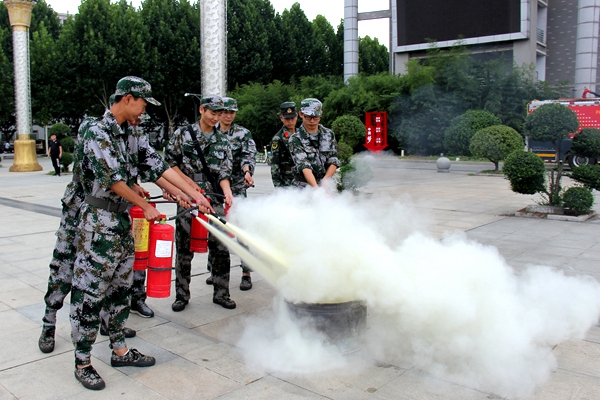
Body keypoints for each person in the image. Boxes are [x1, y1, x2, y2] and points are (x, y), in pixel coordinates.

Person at [69, 76, 212, 391]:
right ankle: (82, 362)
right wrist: (144, 206)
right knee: (90, 294)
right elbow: (113, 179)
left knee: (121, 288)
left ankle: (119, 349)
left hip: (121, 223)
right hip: (97, 222)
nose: (144, 113)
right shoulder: (96, 131)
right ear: (128, 98)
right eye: (143, 105)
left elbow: (160, 167)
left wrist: (194, 193)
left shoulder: (131, 134)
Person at [164, 95, 237, 311]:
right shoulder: (183, 134)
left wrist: (227, 191)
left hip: (213, 198)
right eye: (213, 112)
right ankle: (182, 295)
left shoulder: (222, 140)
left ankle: (221, 292)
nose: (217, 117)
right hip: (188, 199)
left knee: (220, 245)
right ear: (202, 110)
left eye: (219, 113)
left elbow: (224, 171)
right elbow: (169, 163)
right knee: (184, 248)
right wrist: (186, 186)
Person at [217, 97, 256, 290]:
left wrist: (247, 171)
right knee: (216, 229)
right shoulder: (211, 132)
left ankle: (246, 272)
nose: (228, 115)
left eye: (231, 112)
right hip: (215, 189)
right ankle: (216, 271)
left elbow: (248, 155)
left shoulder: (243, 133)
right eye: (224, 111)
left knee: (241, 230)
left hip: (238, 187)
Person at [288, 98, 340, 188]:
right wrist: (317, 190)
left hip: (326, 183)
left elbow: (333, 159)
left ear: (321, 114)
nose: (312, 121)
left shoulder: (329, 134)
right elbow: (304, 166)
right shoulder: (295, 139)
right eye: (308, 117)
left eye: (316, 117)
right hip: (303, 186)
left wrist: (326, 180)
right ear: (301, 114)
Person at [270, 101, 298, 187]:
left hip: (301, 181)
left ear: (296, 117)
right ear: (281, 118)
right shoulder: (278, 138)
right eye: (287, 119)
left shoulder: (301, 135)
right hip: (286, 182)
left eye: (292, 118)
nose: (290, 121)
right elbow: (275, 165)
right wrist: (278, 187)